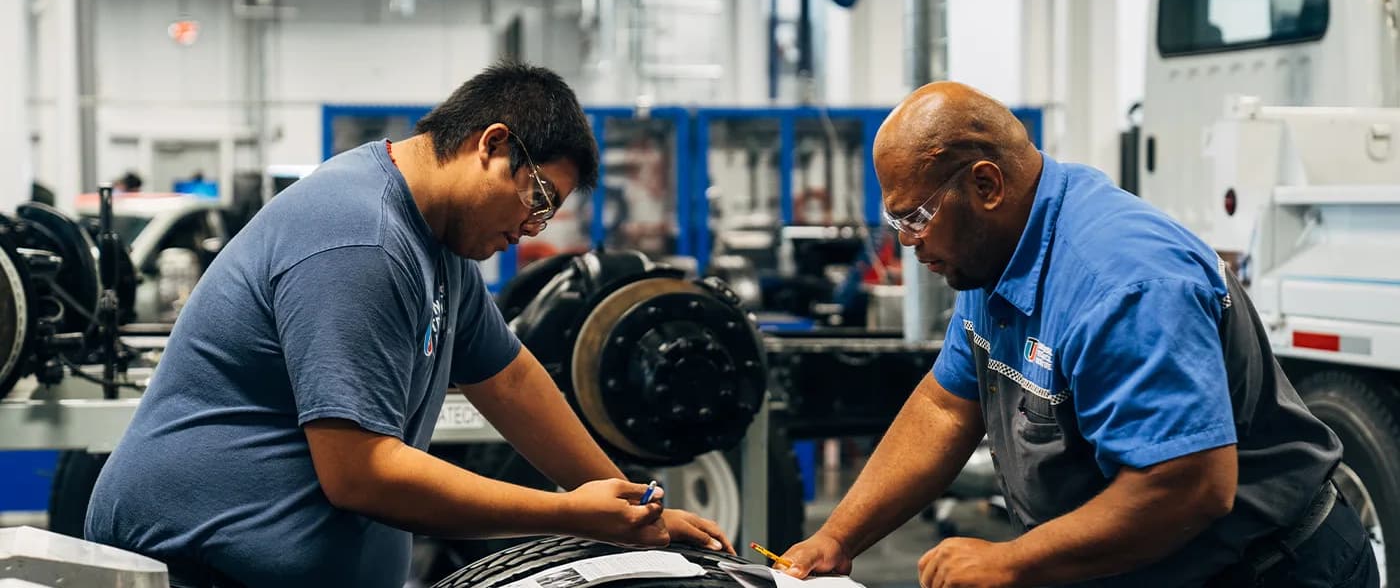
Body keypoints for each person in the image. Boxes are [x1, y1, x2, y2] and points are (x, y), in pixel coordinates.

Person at [85, 62, 732, 588]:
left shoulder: (441, 247)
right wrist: (571, 515)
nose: (530, 228)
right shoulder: (361, 238)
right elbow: (361, 472)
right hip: (193, 571)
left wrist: (627, 506)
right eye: (537, 198)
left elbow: (509, 379)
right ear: (493, 145)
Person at [780, 82, 1379, 587]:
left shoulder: (1124, 285)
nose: (907, 242)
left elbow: (1188, 486)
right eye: (896, 220)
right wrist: (838, 537)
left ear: (986, 186)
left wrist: (1012, 562)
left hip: (1270, 569)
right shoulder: (991, 259)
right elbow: (945, 406)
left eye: (916, 217)